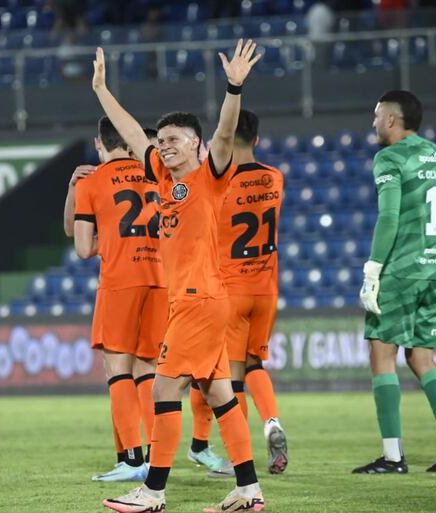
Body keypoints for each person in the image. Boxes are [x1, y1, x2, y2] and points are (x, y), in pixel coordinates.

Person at [92, 39, 266, 512]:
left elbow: (225, 134)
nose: (165, 146)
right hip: (198, 300)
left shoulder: (211, 175)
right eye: (163, 140)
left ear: (196, 145)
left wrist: (233, 88)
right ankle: (249, 490)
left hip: (198, 300)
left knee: (164, 389)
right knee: (220, 394)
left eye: (175, 140)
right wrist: (102, 90)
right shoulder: (163, 179)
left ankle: (152, 493)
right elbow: (133, 134)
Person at [353, 90, 436, 474]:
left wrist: (373, 271)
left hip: (400, 271)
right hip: (435, 269)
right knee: (422, 358)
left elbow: (389, 218)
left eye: (376, 116)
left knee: (381, 355)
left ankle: (392, 457)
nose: (373, 123)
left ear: (391, 119)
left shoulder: (390, 157)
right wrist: (430, 256)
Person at [73, 116, 168, 482]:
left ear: (99, 143)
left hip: (120, 280)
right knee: (147, 370)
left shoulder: (91, 181)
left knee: (117, 370)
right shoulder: (155, 174)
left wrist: (110, 240)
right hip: (159, 279)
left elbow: (83, 248)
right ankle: (157, 456)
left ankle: (131, 459)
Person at [219, 109, 288, 475]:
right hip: (266, 289)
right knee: (255, 364)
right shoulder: (275, 177)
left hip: (232, 289)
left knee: (232, 378)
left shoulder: (219, 184)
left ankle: (239, 458)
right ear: (257, 139)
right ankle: (272, 421)